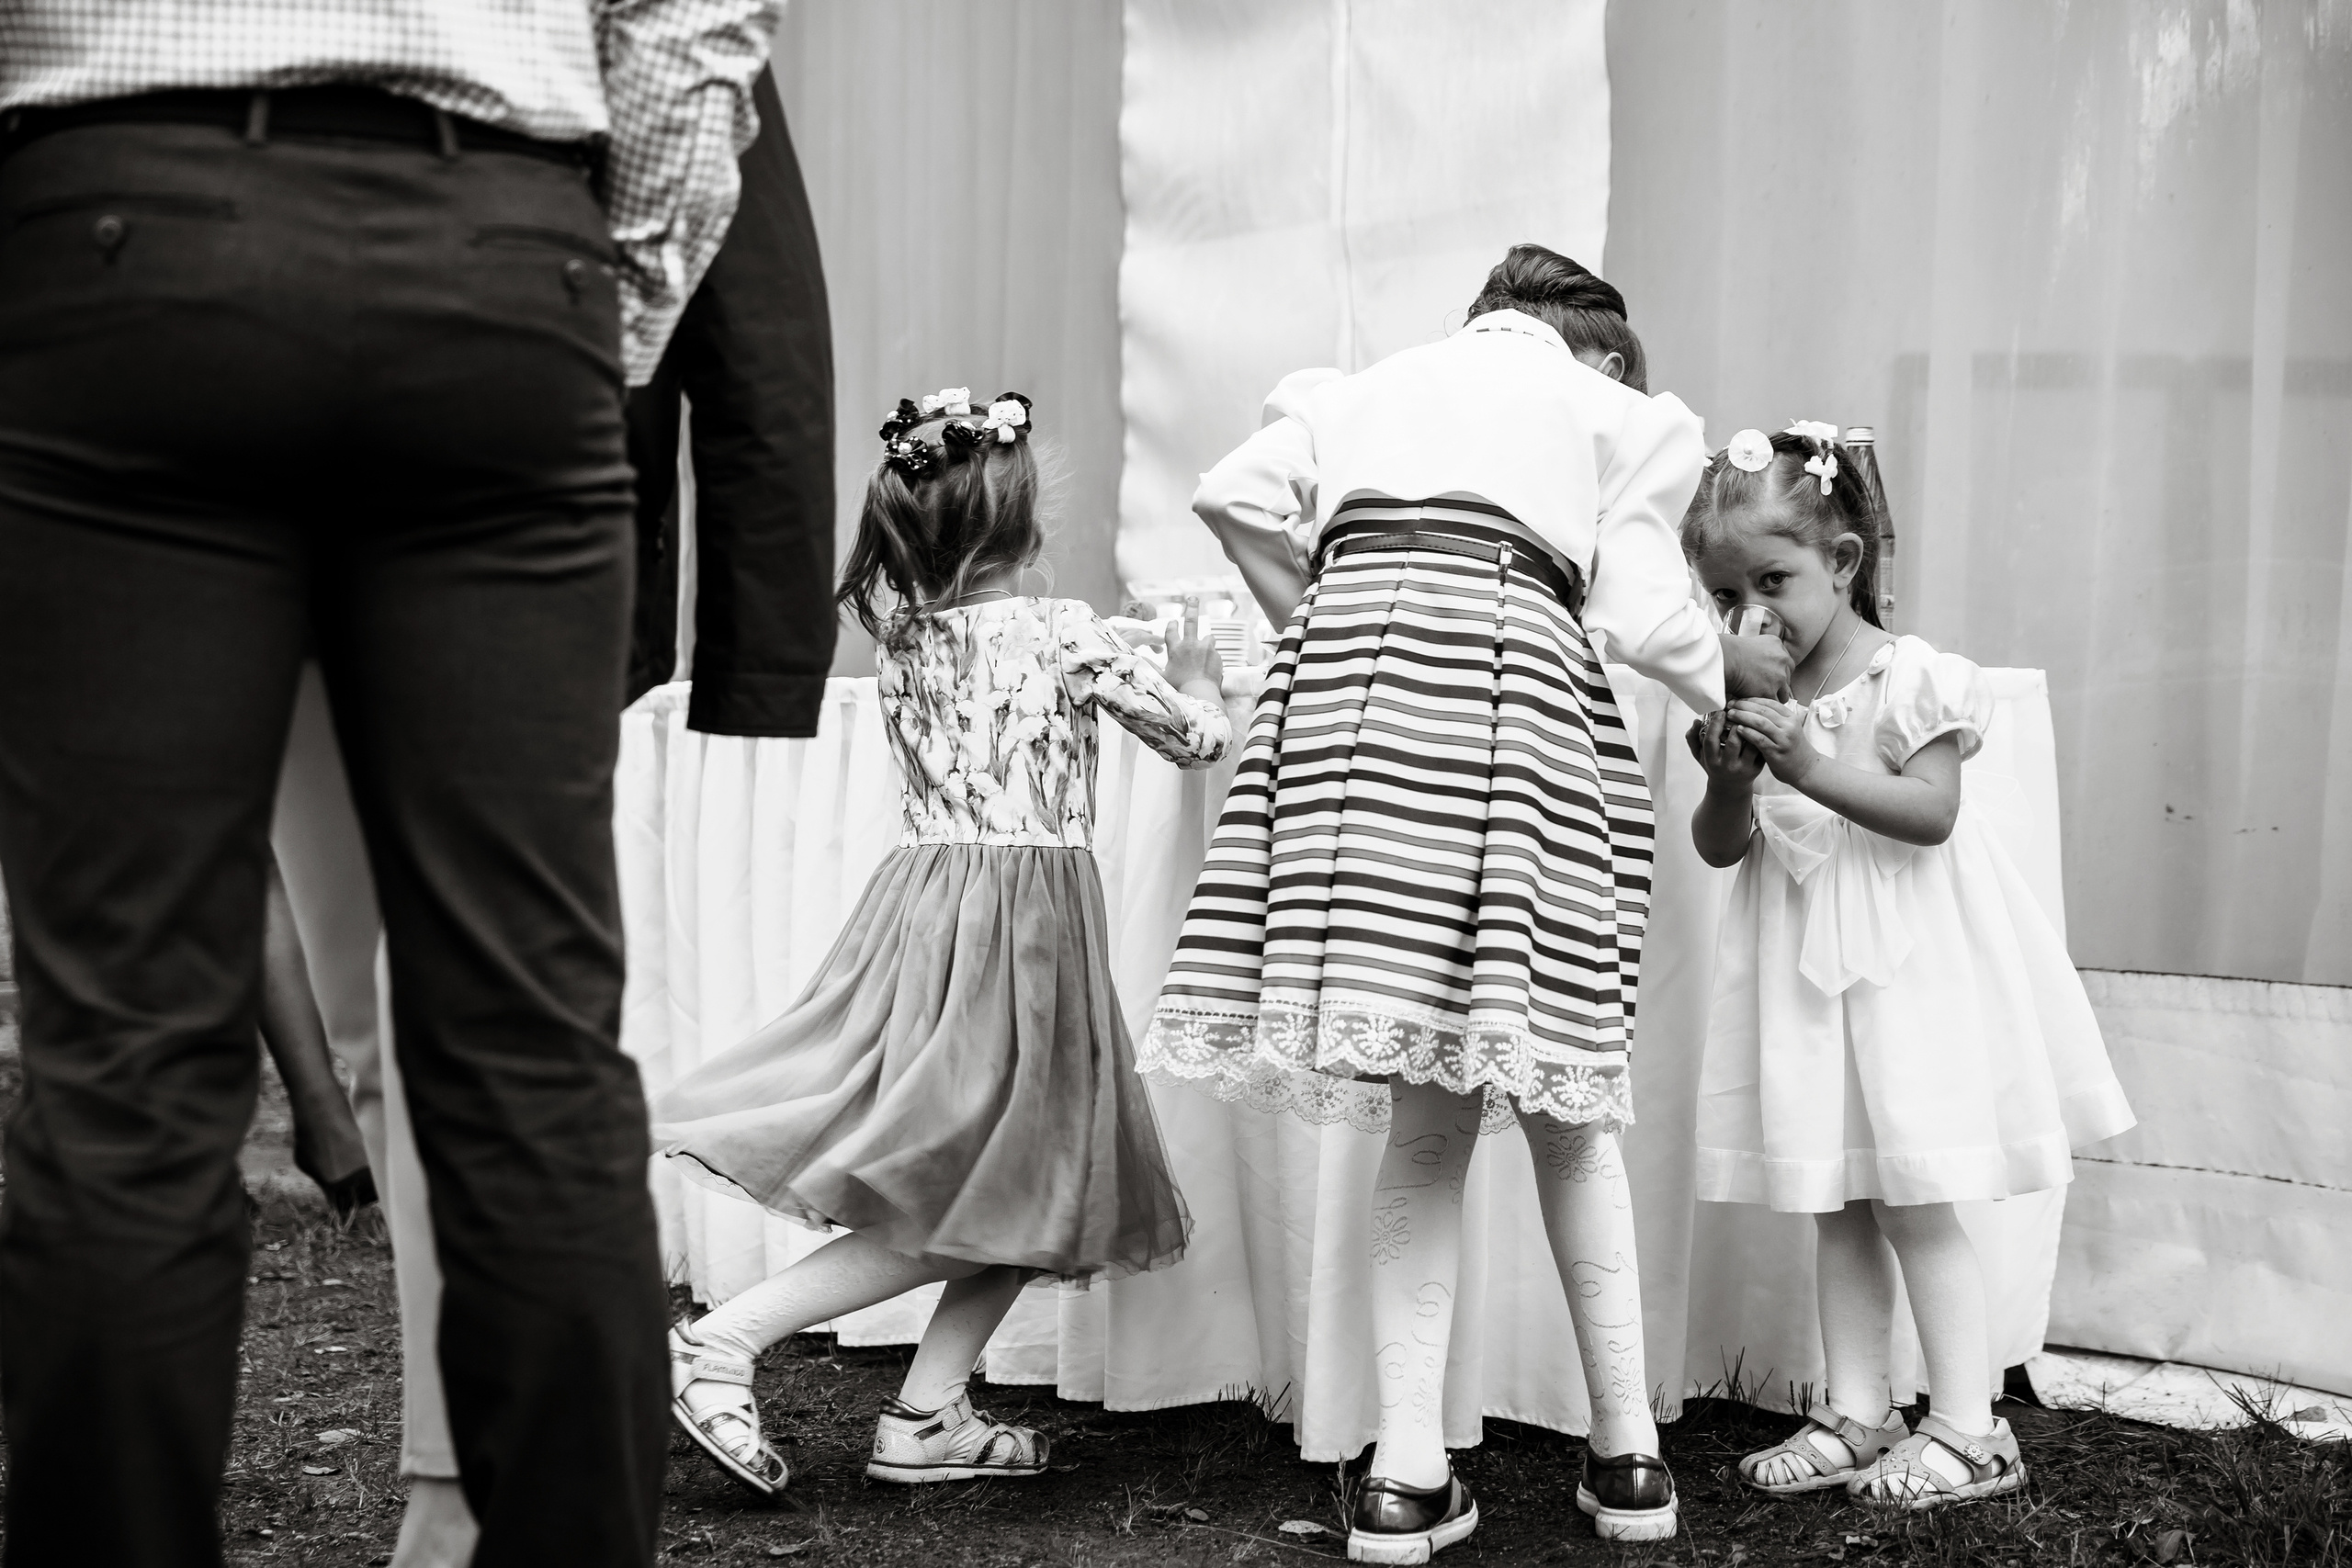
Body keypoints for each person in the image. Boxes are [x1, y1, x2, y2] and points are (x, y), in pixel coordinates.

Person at [0, 6, 779, 1564]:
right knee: (531, 1046)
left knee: (127, 1059)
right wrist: (582, 308)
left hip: (119, 234)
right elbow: (693, 24)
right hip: (500, 250)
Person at [1140, 245, 1792, 1562]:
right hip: (1510, 717)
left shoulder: (1362, 386)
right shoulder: (1619, 408)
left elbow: (1229, 493)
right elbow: (1653, 613)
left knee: (1425, 1122)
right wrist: (1745, 698)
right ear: (1600, 351)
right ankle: (1630, 1460)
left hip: (1357, 726)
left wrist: (1328, 607)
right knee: (1565, 1098)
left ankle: (1405, 1474)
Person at [653, 389, 1231, 1496]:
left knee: (1032, 1179)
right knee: (1003, 1177)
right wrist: (1201, 673)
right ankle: (719, 1340)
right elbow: (1192, 739)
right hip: (1017, 927)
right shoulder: (1064, 631)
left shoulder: (907, 638)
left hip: (929, 907)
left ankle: (927, 1415)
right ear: (1022, 523)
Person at [1683, 424, 2136, 1508]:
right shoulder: (1741, 696)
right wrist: (1736, 779)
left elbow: (1928, 815)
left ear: (1841, 564)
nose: (1751, 609)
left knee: (1914, 1199)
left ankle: (1973, 1430)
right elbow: (1719, 848)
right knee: (1837, 1198)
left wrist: (1804, 756)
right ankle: (1856, 1407)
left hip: (1904, 984)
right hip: (1804, 987)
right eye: (1724, 591)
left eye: (1774, 579)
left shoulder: (1915, 676)